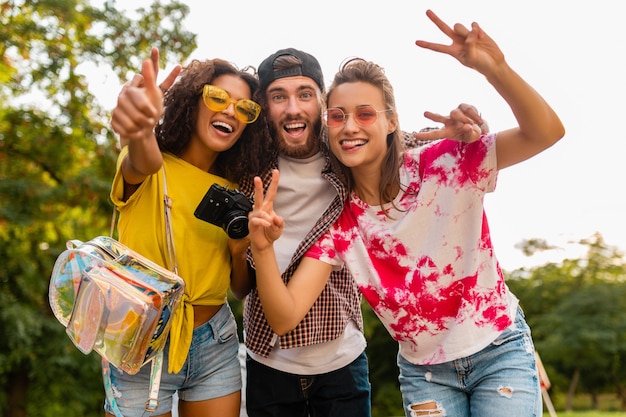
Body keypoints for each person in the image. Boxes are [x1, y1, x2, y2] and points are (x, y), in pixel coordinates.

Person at [247, 9, 565, 417]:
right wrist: (260, 248)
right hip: (425, 374)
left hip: (498, 350)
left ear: (392, 120)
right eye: (338, 116)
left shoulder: (446, 164)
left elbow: (546, 132)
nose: (349, 126)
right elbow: (285, 316)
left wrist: (496, 69)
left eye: (365, 114)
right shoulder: (343, 224)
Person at [237, 47, 486, 417]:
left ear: (322, 102)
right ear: (263, 104)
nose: (293, 108)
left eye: (305, 94)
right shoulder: (245, 163)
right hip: (267, 356)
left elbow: (390, 142)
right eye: (278, 97)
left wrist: (457, 134)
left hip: (341, 357)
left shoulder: (343, 151)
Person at [107, 48, 265, 417]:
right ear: (193, 103)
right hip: (140, 339)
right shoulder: (152, 166)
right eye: (218, 97)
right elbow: (142, 156)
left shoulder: (236, 190)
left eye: (244, 109)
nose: (230, 111)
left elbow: (240, 289)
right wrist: (142, 126)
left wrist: (239, 248)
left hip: (215, 341)